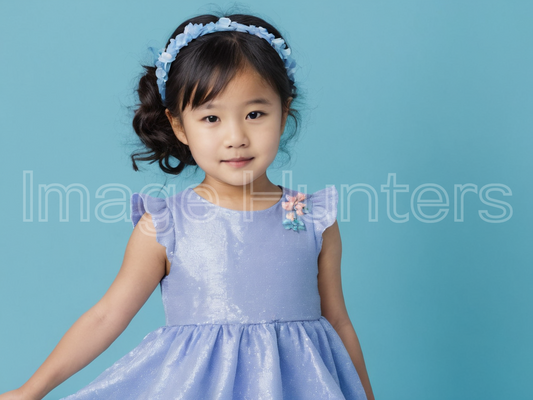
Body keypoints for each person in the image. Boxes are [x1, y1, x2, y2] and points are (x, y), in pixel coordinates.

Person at [0, 12, 375, 400]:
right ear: (179, 125)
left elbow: (338, 322)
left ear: (284, 113)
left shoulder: (310, 217)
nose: (236, 137)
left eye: (255, 114)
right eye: (211, 117)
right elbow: (106, 316)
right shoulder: (166, 225)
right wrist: (32, 389)